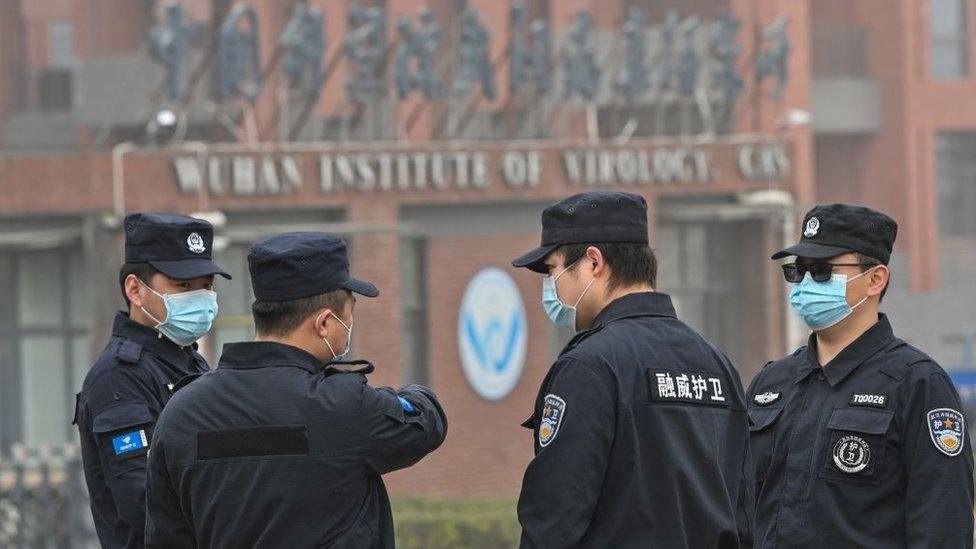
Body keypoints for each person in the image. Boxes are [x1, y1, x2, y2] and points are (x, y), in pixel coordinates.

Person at [144, 232, 448, 548]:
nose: (350, 322)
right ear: (325, 323)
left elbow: (166, 536)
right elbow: (427, 422)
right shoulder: (343, 406)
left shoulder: (181, 412)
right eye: (350, 311)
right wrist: (411, 395)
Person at [511, 191, 754, 548]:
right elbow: (744, 514)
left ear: (593, 262)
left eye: (552, 269)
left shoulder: (589, 366)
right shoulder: (715, 363)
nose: (552, 287)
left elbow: (553, 521)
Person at [748, 204, 975, 547]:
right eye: (799, 271)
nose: (807, 282)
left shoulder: (916, 384)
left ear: (875, 279)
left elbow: (942, 523)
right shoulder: (772, 384)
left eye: (822, 270)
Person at [74, 212, 230, 548]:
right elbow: (145, 502)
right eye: (184, 286)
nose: (201, 298)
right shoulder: (119, 377)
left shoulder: (186, 359)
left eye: (207, 286)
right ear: (136, 290)